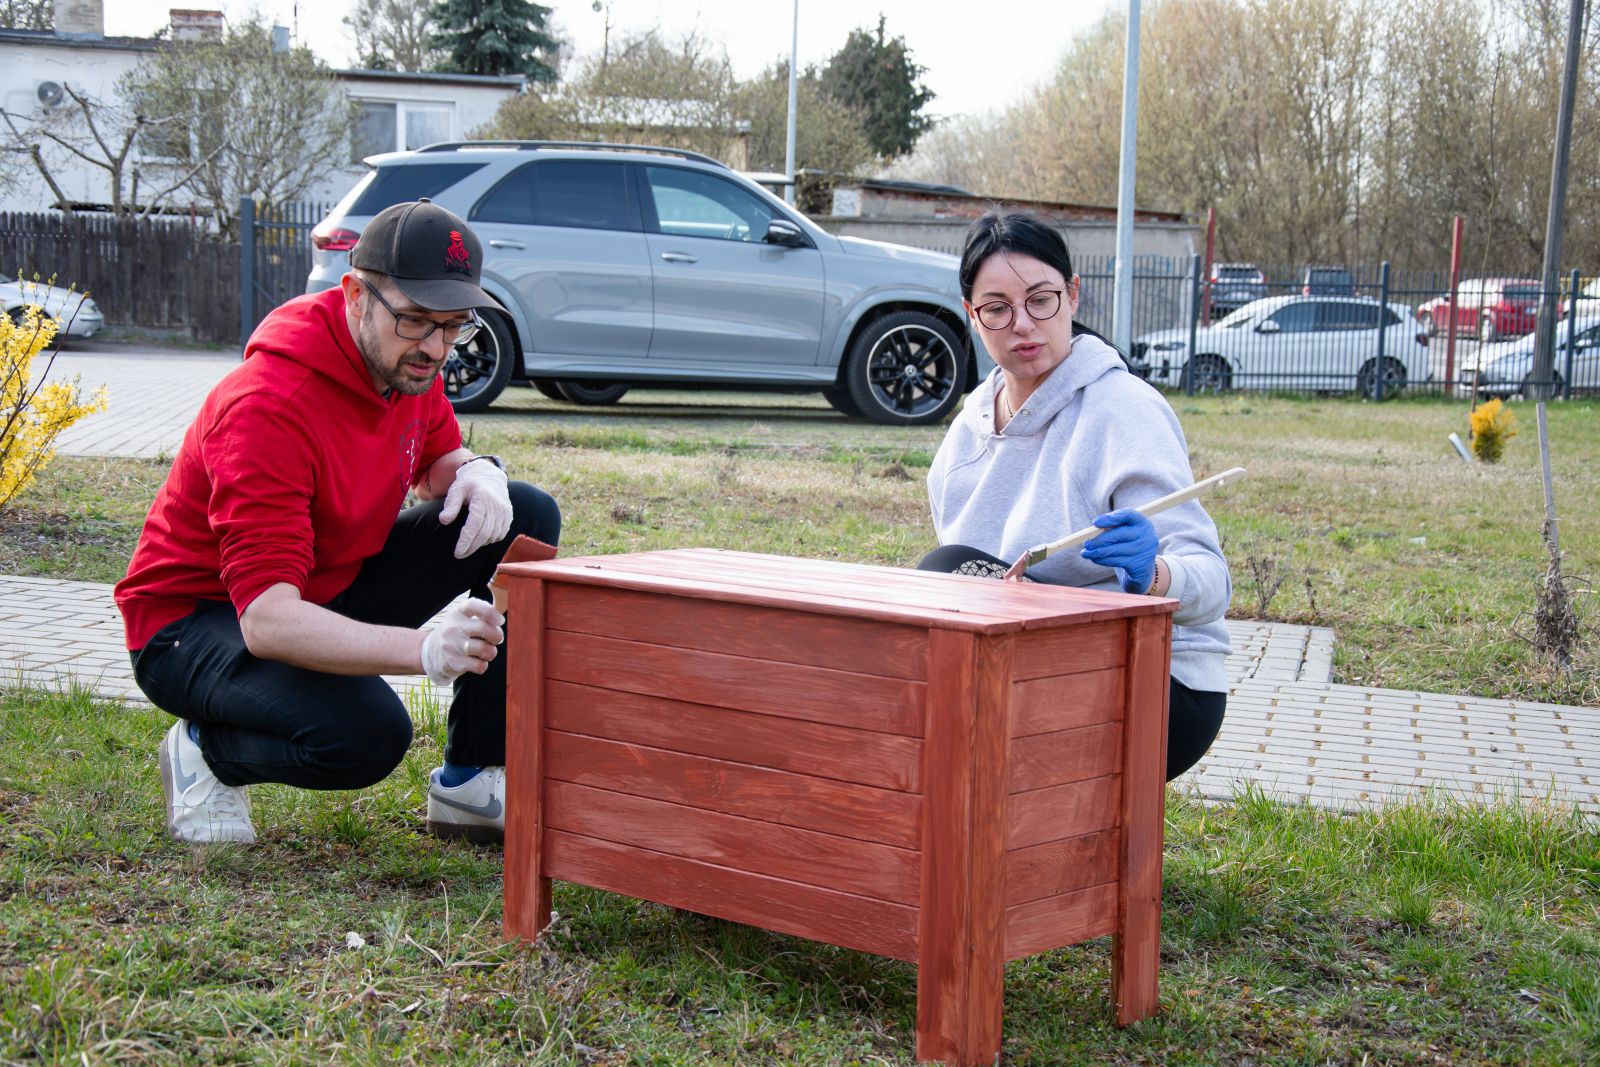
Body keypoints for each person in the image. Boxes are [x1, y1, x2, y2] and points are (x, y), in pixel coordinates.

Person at [115, 199, 560, 845]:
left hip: (322, 584)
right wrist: (424, 650)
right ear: (355, 295)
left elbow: (434, 459)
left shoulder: (403, 363)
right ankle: (207, 751)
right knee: (365, 736)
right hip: (197, 623)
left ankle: (471, 778)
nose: (435, 347)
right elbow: (267, 620)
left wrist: (473, 469)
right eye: (415, 319)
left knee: (524, 514)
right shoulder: (269, 406)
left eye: (453, 325)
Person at [921, 211, 1230, 780]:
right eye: (997, 308)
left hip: (1160, 685)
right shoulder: (966, 431)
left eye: (1041, 300)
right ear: (972, 314)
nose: (1023, 324)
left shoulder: (1123, 409)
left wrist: (1153, 575)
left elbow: (1212, 585)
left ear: (1073, 296)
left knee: (944, 568)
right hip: (1028, 660)